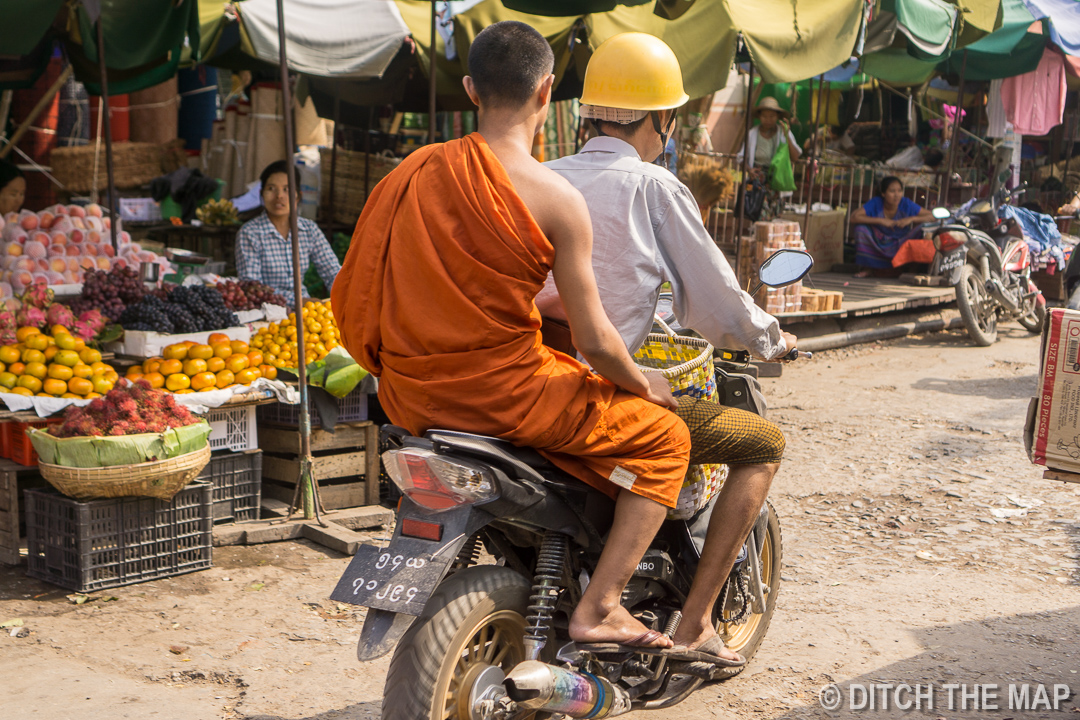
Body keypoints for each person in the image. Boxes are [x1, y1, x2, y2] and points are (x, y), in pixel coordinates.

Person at [332, 21, 689, 651]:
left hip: (412, 397)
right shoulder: (555, 197)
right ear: (548, 91)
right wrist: (647, 384)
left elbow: (357, 293)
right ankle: (600, 606)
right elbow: (600, 342)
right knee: (666, 438)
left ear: (471, 88)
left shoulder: (407, 174)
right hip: (506, 399)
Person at [538, 32, 796, 667]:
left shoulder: (539, 176)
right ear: (663, 119)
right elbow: (717, 304)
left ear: (588, 112)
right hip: (591, 391)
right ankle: (695, 623)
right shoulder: (654, 187)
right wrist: (771, 338)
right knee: (763, 444)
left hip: (527, 375)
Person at [235, 160, 340, 299]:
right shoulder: (250, 233)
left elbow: (333, 272)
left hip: (306, 312)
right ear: (261, 194)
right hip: (267, 311)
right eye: (271, 188)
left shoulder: (309, 230)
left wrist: (344, 297)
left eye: (287, 189)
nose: (279, 196)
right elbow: (252, 287)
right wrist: (298, 301)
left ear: (298, 195)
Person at [850, 176, 935, 277]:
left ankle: (910, 269)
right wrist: (881, 221)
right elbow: (854, 217)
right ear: (883, 193)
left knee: (922, 229)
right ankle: (868, 268)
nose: (896, 195)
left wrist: (911, 219)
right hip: (879, 241)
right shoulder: (876, 202)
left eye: (899, 191)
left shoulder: (905, 203)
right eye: (892, 191)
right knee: (861, 229)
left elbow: (932, 216)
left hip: (901, 241)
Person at [738, 96, 801, 177]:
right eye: (764, 116)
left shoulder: (783, 132)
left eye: (771, 116)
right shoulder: (752, 133)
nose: (768, 120)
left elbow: (795, 157)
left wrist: (787, 136)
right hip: (757, 178)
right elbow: (740, 158)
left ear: (777, 117)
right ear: (759, 116)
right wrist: (750, 170)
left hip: (777, 179)